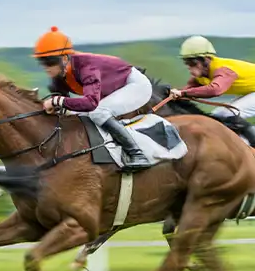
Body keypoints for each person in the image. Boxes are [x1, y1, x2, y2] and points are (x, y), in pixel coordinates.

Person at [35, 26, 151, 170]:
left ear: (64, 59)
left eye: (50, 62)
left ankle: (138, 155)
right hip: (113, 90)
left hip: (134, 85)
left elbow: (91, 103)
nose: (46, 67)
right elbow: (65, 106)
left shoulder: (86, 67)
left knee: (98, 112)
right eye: (43, 62)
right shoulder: (59, 76)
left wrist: (56, 101)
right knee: (81, 115)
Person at [170, 35, 255, 146]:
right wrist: (173, 94)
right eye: (187, 63)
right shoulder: (202, 73)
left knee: (228, 113)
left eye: (193, 63)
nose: (190, 68)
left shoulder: (223, 70)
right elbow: (188, 90)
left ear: (206, 60)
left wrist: (182, 93)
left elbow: (215, 90)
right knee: (217, 114)